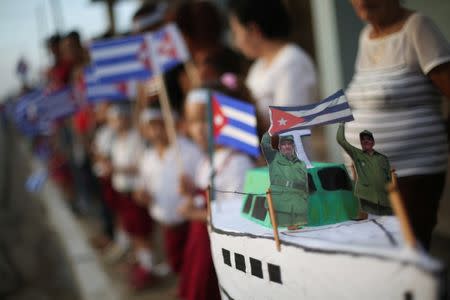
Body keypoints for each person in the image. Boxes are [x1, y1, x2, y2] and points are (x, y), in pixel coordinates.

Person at [346, 0, 450, 249]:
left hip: (411, 171)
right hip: (368, 174)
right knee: (384, 250)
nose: (360, 1)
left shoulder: (417, 27)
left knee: (410, 249)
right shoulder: (366, 36)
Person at [177, 84, 254, 300]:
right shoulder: (208, 158)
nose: (198, 128)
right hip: (200, 241)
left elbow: (235, 217)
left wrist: (194, 214)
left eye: (205, 119)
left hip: (216, 245)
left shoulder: (236, 162)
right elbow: (208, 195)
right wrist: (191, 189)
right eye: (192, 121)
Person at [228, 0, 318, 130]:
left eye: (236, 32)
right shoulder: (258, 67)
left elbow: (287, 125)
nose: (236, 43)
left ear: (253, 30)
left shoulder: (292, 62)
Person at [135, 107, 203, 274]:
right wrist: (142, 195)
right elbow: (143, 186)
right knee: (176, 262)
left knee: (194, 265)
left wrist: (192, 193)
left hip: (190, 221)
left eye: (160, 125)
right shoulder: (147, 156)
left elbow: (203, 186)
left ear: (173, 125)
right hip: (164, 220)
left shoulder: (190, 151)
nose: (156, 131)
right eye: (150, 127)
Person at [107, 103, 153, 289]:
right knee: (132, 231)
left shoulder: (136, 139)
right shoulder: (116, 140)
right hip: (123, 192)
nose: (116, 123)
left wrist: (116, 169)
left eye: (118, 118)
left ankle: (147, 268)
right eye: (113, 120)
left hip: (135, 192)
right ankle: (141, 263)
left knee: (141, 233)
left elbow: (141, 166)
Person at [337, 123, 391, 215]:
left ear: (373, 142)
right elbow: (341, 140)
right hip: (367, 199)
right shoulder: (357, 154)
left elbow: (390, 179)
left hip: (384, 201)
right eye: (363, 140)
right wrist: (341, 124)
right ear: (361, 143)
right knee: (370, 224)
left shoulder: (383, 158)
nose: (366, 141)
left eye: (368, 139)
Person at [261, 132, 308, 228]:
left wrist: (304, 198)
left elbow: (305, 184)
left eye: (289, 144)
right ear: (279, 146)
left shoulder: (300, 163)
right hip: (280, 201)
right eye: (284, 144)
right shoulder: (273, 158)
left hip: (297, 203)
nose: (287, 146)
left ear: (293, 146)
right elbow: (265, 144)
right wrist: (271, 131)